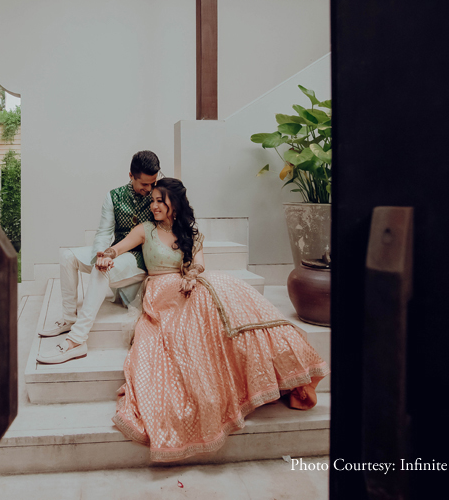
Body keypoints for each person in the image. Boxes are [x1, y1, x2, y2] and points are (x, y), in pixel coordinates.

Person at [101, 177, 329, 462]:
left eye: (161, 200)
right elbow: (118, 247)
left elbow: (199, 264)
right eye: (153, 200)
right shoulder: (145, 230)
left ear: (175, 205)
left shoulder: (190, 233)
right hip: (161, 294)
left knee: (226, 295)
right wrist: (107, 255)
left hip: (190, 286)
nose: (154, 205)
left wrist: (191, 276)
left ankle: (272, 366)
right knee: (189, 326)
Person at [36, 151, 160, 365]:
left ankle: (77, 340)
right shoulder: (114, 196)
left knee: (103, 269)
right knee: (67, 256)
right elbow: (103, 233)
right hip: (115, 251)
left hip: (140, 258)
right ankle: (69, 318)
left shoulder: (159, 195)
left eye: (153, 183)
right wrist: (101, 255)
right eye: (144, 184)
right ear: (131, 175)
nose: (149, 189)